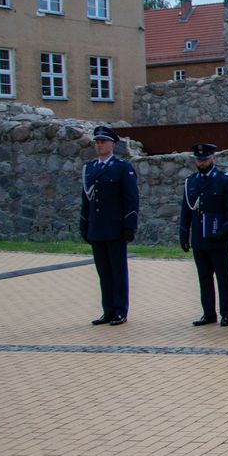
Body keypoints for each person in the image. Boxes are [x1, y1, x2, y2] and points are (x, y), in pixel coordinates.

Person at [80, 126, 139, 326]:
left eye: (103, 142)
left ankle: (120, 310)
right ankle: (108, 310)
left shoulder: (122, 168)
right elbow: (86, 200)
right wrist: (84, 223)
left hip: (115, 228)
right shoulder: (90, 168)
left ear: (113, 145)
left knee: (117, 272)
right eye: (97, 142)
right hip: (97, 228)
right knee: (103, 272)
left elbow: (131, 198)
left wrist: (129, 225)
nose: (99, 145)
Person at [179, 143, 228, 326]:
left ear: (213, 158)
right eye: (198, 159)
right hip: (199, 237)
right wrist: (183, 233)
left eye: (205, 159)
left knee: (223, 277)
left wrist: (224, 231)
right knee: (204, 278)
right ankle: (208, 313)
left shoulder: (224, 180)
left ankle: (226, 313)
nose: (201, 162)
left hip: (218, 237)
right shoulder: (192, 181)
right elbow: (186, 210)